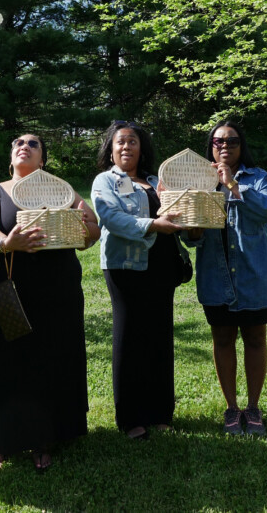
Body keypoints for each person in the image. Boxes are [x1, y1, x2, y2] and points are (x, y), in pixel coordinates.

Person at [0, 133, 101, 472]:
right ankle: (0, 441)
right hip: (9, 288)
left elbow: (90, 234)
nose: (23, 146)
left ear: (43, 160)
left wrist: (89, 227)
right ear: (10, 157)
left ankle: (44, 438)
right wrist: (6, 242)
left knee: (52, 360)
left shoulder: (63, 190)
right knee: (2, 361)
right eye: (16, 143)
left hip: (59, 291)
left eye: (33, 143)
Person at [90, 120, 187, 440]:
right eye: (120, 142)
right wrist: (153, 225)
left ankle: (160, 413)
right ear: (111, 149)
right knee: (129, 337)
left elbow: (178, 214)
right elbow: (111, 217)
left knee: (159, 335)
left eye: (132, 141)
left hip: (161, 264)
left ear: (141, 147)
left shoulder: (157, 180)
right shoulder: (105, 181)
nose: (126, 147)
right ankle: (130, 418)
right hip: (124, 265)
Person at [190, 120, 267, 436]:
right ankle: (232, 408)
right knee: (223, 340)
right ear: (210, 146)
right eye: (218, 142)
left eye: (231, 141)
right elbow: (191, 237)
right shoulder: (198, 180)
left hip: (253, 277)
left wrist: (233, 187)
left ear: (242, 145)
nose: (224, 147)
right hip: (216, 277)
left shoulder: (258, 178)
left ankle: (253, 407)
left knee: (256, 339)